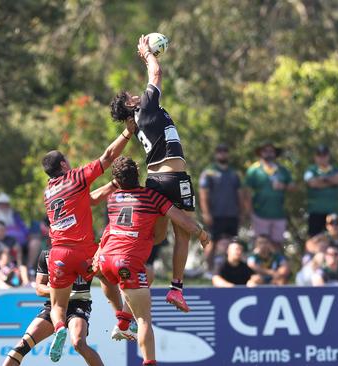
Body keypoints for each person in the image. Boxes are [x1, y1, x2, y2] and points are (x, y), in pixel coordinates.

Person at [109, 35, 197, 312]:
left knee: (155, 236)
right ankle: (176, 289)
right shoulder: (145, 106)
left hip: (155, 181)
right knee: (183, 234)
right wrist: (147, 53)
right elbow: (156, 72)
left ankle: (135, 274)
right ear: (131, 105)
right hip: (174, 177)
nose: (135, 94)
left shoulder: (139, 118)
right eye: (129, 97)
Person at [98, 156, 211, 366]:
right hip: (127, 262)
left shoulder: (112, 198)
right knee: (144, 320)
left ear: (116, 180)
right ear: (138, 175)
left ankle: (123, 321)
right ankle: (149, 361)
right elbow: (183, 221)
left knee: (148, 273)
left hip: (106, 258)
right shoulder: (152, 197)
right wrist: (201, 234)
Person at [41, 118, 135, 363]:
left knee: (58, 306)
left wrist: (112, 185)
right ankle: (123, 320)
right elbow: (108, 156)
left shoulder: (49, 192)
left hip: (59, 253)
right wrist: (127, 132)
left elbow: (89, 200)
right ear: (63, 163)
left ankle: (60, 328)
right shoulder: (75, 177)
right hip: (85, 251)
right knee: (107, 277)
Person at [2, 250, 102, 366]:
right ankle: (60, 329)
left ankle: (60, 329)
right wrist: (59, 290)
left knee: (79, 343)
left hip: (78, 304)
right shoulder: (46, 255)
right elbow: (39, 288)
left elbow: (103, 274)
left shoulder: (87, 252)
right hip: (54, 304)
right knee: (23, 345)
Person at [199, 143, 246, 272]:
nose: (222, 153)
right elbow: (203, 194)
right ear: (216, 154)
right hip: (216, 214)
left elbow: (240, 194)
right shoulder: (209, 172)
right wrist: (206, 213)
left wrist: (241, 212)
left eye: (225, 151)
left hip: (232, 214)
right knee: (212, 242)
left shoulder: (234, 173)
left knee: (233, 243)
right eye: (219, 151)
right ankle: (208, 270)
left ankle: (229, 271)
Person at [244, 141, 296, 245]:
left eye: (271, 151)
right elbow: (246, 192)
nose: (268, 153)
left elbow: (293, 187)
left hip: (279, 214)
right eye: (265, 151)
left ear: (275, 153)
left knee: (277, 245)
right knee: (261, 244)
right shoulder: (253, 170)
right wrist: (249, 211)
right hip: (260, 214)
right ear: (260, 153)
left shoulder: (282, 170)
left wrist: (283, 186)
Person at [0, 193, 35, 265]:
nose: (4, 206)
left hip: (17, 243)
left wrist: (29, 235)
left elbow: (24, 229)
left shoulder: (15, 216)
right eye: (2, 204)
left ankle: (29, 267)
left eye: (6, 204)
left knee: (34, 242)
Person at [304, 145, 338, 236]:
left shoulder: (337, 169)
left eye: (324, 155)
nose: (322, 158)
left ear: (328, 156)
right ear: (315, 157)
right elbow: (312, 183)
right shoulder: (310, 170)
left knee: (334, 237)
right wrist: (332, 181)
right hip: (316, 211)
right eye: (319, 155)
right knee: (315, 238)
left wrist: (322, 179)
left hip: (333, 210)